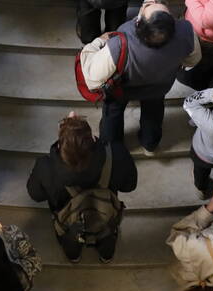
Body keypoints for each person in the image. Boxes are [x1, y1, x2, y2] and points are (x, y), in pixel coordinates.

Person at [25, 112, 138, 263]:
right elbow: (130, 185)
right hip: (106, 216)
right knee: (108, 235)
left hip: (69, 223)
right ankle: (106, 254)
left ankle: (74, 256)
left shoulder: (46, 167)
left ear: (60, 145)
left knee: (69, 240)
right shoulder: (117, 154)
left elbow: (35, 195)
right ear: (92, 139)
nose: (73, 114)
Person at [96, 0, 200, 153]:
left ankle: (111, 145)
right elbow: (193, 60)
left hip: (123, 88)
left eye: (150, 5)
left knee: (112, 112)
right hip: (159, 87)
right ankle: (150, 143)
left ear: (139, 23)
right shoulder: (186, 33)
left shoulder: (122, 37)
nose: (153, 0)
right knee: (153, 114)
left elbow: (99, 73)